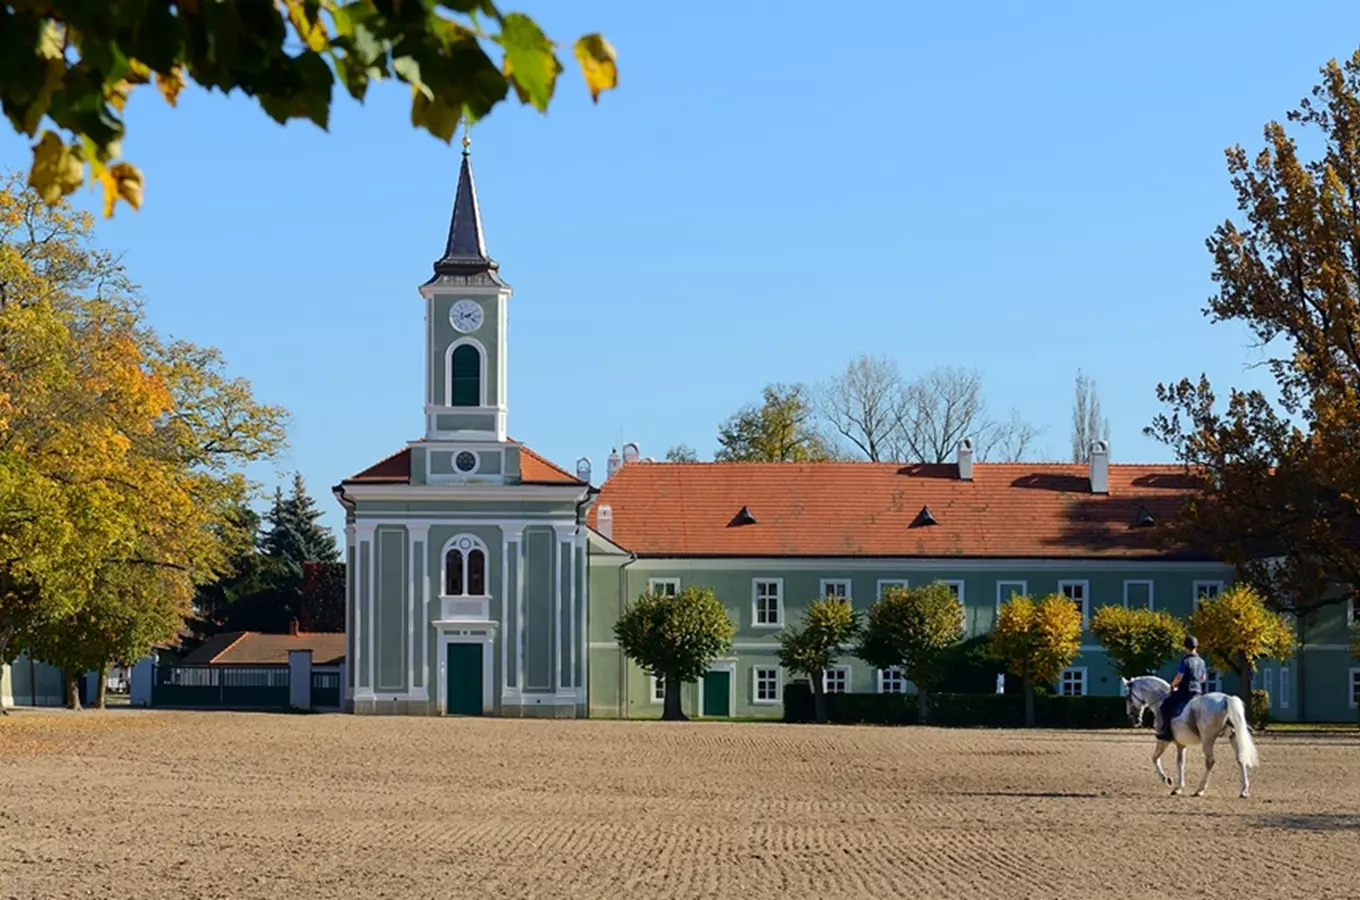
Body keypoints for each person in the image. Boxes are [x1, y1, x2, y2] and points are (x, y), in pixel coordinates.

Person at [1156, 635, 1208, 741]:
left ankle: (1167, 732)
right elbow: (1203, 678)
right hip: (1198, 692)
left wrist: (1172, 685)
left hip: (1186, 691)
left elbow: (1179, 677)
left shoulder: (1185, 661)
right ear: (1196, 646)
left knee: (1164, 706)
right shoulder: (1202, 662)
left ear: (1185, 647)